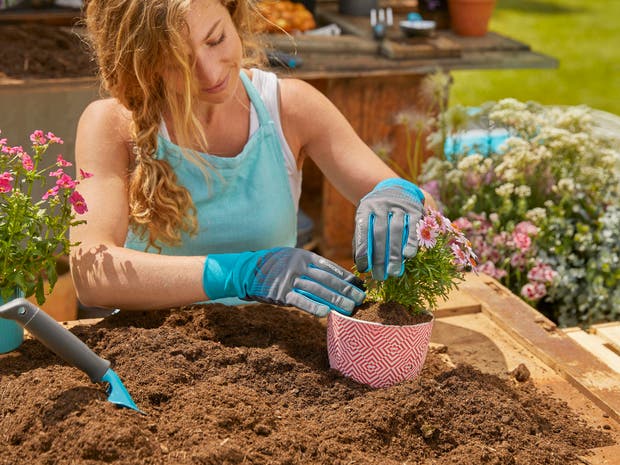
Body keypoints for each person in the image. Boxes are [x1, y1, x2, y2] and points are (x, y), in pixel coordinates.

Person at [70, 0, 433, 318]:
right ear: (141, 64)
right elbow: (91, 274)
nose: (210, 73)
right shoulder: (113, 125)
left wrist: (400, 198)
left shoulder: (288, 108)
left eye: (216, 40)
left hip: (273, 356)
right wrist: (237, 273)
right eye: (176, 63)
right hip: (154, 356)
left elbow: (423, 207)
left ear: (231, 11)